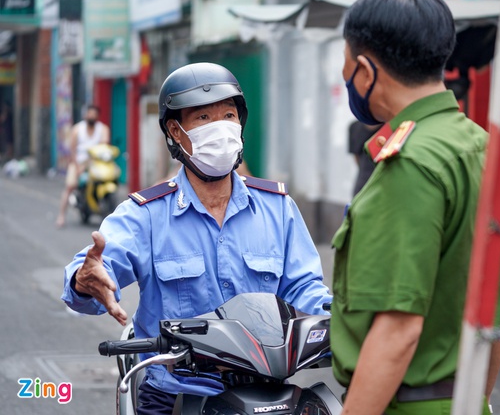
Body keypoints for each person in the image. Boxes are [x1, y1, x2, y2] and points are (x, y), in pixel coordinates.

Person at [61, 62, 332, 414]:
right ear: (175, 130)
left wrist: (334, 321)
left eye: (229, 115)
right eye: (204, 118)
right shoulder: (147, 215)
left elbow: (305, 290)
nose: (221, 128)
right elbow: (93, 272)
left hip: (267, 390)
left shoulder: (277, 208)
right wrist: (84, 281)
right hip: (175, 394)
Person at [329, 0, 500, 415]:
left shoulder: (409, 163)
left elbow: (397, 332)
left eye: (345, 64)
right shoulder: (485, 149)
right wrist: (475, 399)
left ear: (366, 69)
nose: (345, 77)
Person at [56, 105, 110, 228]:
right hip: (79, 162)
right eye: (89, 114)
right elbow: (72, 150)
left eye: (94, 114)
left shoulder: (103, 129)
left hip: (96, 162)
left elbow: (105, 145)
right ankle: (61, 216)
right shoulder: (77, 129)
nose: (91, 116)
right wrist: (77, 167)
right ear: (85, 115)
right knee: (70, 186)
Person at [347, 120, 377, 195]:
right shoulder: (354, 127)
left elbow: (356, 158)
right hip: (364, 183)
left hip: (363, 183)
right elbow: (356, 158)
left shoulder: (354, 127)